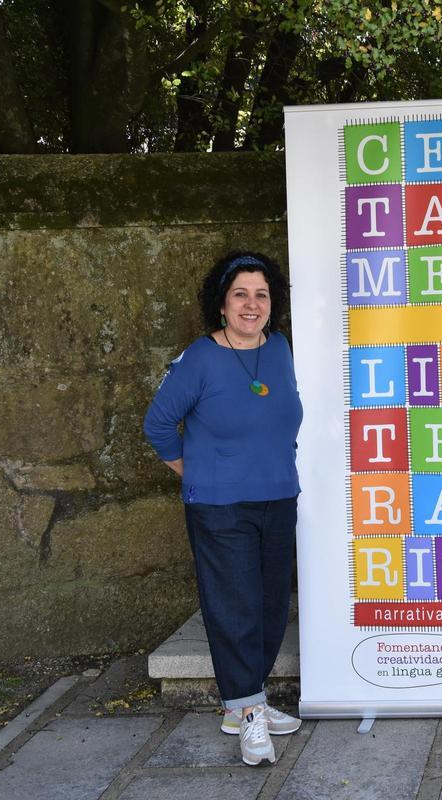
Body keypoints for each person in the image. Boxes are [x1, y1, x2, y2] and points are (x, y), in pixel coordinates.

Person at [143, 251, 303, 766]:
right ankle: (248, 710)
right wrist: (195, 472)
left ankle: (244, 704)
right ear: (222, 303)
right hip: (219, 506)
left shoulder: (278, 348)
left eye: (261, 294)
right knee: (234, 607)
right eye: (240, 294)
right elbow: (158, 426)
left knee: (270, 605)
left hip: (277, 496)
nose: (251, 304)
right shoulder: (201, 358)